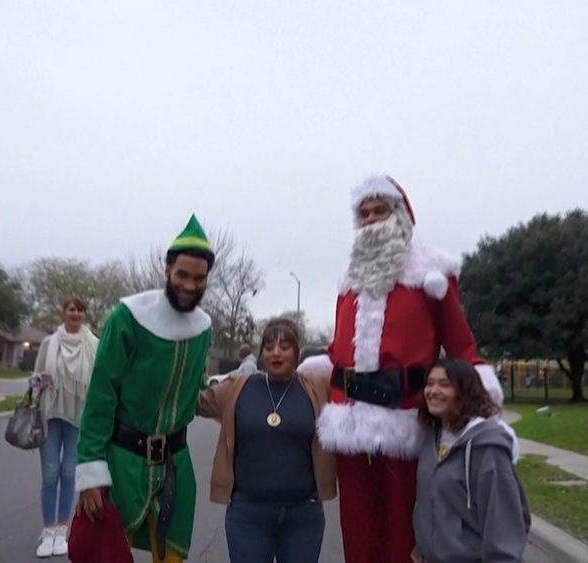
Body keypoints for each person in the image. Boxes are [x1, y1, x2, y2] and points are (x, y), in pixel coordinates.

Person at [296, 174, 510, 563]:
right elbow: (339, 347)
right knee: (357, 528)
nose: (373, 219)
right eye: (365, 213)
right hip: (350, 419)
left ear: (401, 216)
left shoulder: (432, 275)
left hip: (407, 417)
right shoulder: (348, 281)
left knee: (404, 528)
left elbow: (461, 344)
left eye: (381, 210)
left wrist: (481, 394)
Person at [73, 214, 215, 563]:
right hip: (123, 462)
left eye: (199, 278)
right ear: (167, 271)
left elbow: (197, 390)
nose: (189, 285)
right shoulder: (127, 318)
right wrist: (91, 472)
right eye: (182, 275)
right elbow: (101, 396)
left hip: (175, 466)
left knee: (171, 557)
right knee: (112, 554)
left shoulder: (204, 328)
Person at [197, 318, 335, 563]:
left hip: (303, 517)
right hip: (248, 516)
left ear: (296, 352)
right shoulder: (239, 388)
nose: (276, 353)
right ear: (261, 353)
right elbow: (192, 401)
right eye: (269, 347)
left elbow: (350, 388)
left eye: (285, 346)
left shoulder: (316, 387)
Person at [411, 358, 529, 563]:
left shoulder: (487, 449)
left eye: (444, 384)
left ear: (465, 392)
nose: (433, 390)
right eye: (429, 383)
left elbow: (502, 521)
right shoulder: (431, 440)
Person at [31, 297, 99, 558]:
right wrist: (38, 381)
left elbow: (100, 379)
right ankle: (48, 530)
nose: (76, 314)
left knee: (70, 473)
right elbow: (36, 375)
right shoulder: (50, 343)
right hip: (51, 414)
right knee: (50, 474)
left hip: (79, 417)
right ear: (64, 312)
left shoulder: (92, 344)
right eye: (72, 309)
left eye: (80, 310)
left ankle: (62, 529)